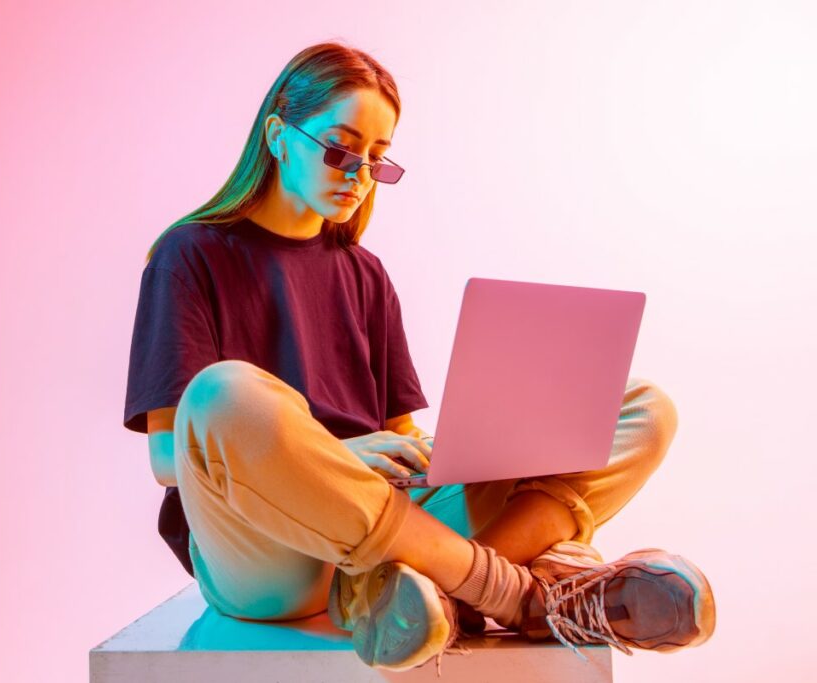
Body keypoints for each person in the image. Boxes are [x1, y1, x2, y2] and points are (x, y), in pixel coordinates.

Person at [123, 41, 716, 675]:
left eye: (377, 158)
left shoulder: (365, 273)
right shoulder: (189, 255)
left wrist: (465, 448)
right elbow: (169, 460)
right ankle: (512, 589)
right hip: (269, 551)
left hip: (390, 533)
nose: (358, 172)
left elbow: (399, 436)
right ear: (277, 136)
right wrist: (339, 455)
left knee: (643, 407)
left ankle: (423, 592)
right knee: (225, 394)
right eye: (340, 147)